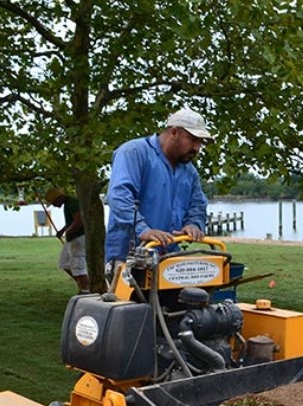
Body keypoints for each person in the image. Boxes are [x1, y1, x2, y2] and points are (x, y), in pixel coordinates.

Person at [104, 107, 212, 276]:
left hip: (169, 262)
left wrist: (193, 224)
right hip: (129, 260)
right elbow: (119, 197)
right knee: (129, 303)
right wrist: (143, 230)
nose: (197, 148)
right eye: (193, 140)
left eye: (200, 143)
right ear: (174, 132)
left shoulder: (190, 172)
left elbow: (197, 205)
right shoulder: (133, 152)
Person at [45, 188, 89, 293]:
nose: (54, 205)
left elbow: (79, 220)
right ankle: (81, 283)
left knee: (78, 265)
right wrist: (63, 230)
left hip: (78, 238)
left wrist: (69, 231)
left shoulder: (72, 203)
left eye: (54, 202)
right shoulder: (68, 204)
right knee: (64, 262)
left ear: (59, 198)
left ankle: (86, 289)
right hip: (72, 238)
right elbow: (72, 220)